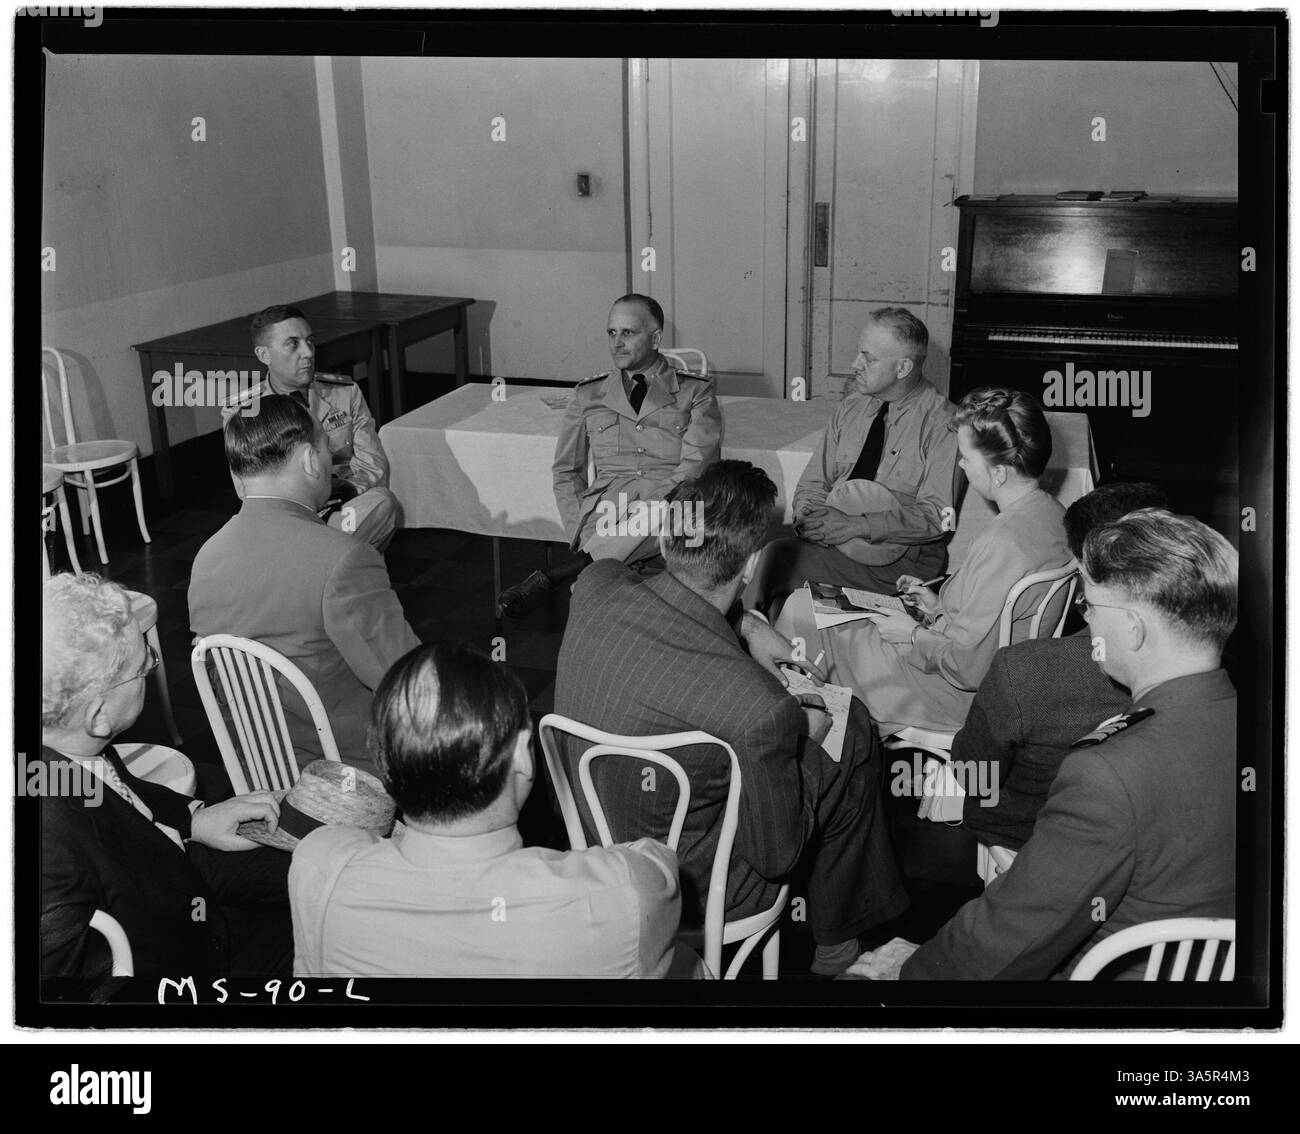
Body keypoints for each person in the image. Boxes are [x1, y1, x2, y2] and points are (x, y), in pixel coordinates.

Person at [848, 508, 1237, 980]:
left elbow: (1008, 941)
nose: (1086, 621)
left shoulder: (1104, 776)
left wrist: (911, 968)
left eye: (1090, 606)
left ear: (1133, 628)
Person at [554, 460, 908, 977]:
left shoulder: (594, 584)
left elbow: (649, 585)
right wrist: (807, 737)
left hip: (592, 843)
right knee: (849, 724)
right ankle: (838, 943)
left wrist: (746, 624)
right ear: (751, 565)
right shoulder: (760, 710)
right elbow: (775, 857)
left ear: (668, 540)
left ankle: (841, 934)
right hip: (694, 885)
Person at [290, 641, 693, 978]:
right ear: (522, 756)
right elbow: (659, 866)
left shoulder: (319, 866)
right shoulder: (625, 892)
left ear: (384, 763)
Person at [40, 573, 293, 989]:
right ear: (99, 716)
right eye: (144, 668)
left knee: (321, 861)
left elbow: (116, 796)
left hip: (176, 875)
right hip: (182, 966)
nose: (153, 670)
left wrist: (194, 820)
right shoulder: (49, 859)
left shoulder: (61, 742)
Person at [781, 387, 1073, 737]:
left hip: (948, 692)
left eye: (966, 457)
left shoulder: (1002, 542)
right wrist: (935, 607)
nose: (961, 465)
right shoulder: (1055, 515)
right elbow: (993, 618)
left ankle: (826, 737)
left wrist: (914, 634)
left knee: (799, 614)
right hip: (982, 672)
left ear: (998, 474)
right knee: (818, 605)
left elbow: (967, 667)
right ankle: (837, 733)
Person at [189, 396, 419, 776]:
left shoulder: (205, 559)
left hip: (260, 767)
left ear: (237, 475)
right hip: (349, 770)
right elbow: (405, 680)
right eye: (328, 451)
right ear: (311, 461)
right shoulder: (344, 560)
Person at [957, 482, 1168, 852]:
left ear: (1084, 568)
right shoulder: (1212, 665)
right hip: (1146, 845)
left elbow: (973, 776)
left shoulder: (1022, 671)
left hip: (1025, 841)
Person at [496, 293, 721, 617]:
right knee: (602, 606)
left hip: (675, 514)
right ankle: (587, 559)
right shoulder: (589, 394)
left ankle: (564, 572)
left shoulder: (694, 391)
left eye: (628, 333)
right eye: (611, 333)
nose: (616, 343)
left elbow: (696, 468)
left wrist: (644, 511)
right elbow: (565, 471)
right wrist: (580, 532)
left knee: (595, 586)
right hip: (606, 516)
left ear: (656, 338)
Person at [747, 307, 957, 608]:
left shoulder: (942, 424)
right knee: (763, 563)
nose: (854, 364)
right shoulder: (851, 408)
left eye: (869, 358)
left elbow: (939, 517)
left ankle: (736, 640)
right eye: (859, 353)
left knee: (774, 559)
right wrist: (812, 519)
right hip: (833, 543)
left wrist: (857, 525)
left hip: (898, 563)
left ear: (902, 368)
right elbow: (813, 483)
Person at [223, 304, 399, 551]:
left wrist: (344, 492)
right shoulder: (244, 412)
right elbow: (247, 488)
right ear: (264, 355)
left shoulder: (344, 394)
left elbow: (373, 463)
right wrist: (308, 506)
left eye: (310, 341)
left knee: (383, 502)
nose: (307, 352)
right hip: (285, 519)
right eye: (293, 344)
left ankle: (319, 562)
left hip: (341, 509)